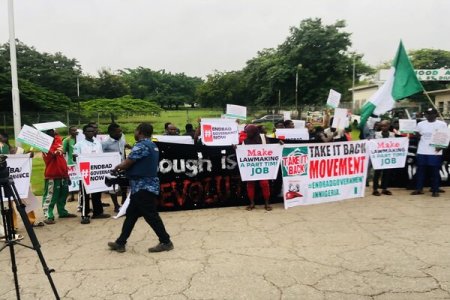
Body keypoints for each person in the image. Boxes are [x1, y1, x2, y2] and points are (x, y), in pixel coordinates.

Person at [108, 123, 173, 253]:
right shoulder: (153, 145)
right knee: (131, 215)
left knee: (151, 215)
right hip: (143, 186)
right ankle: (120, 242)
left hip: (143, 187)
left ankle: (166, 241)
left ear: (140, 132)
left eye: (135, 131)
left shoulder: (141, 145)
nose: (134, 133)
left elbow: (128, 162)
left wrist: (116, 168)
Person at [74, 124, 111, 224]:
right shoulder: (79, 144)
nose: (91, 133)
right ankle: (84, 215)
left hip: (96, 172)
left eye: (92, 131)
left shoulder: (98, 143)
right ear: (84, 133)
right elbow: (75, 158)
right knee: (85, 194)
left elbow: (101, 156)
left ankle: (98, 212)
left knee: (97, 192)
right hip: (85, 172)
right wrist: (78, 157)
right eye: (89, 131)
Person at [42, 129, 77, 224]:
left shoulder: (57, 141)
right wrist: (58, 148)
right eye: (49, 133)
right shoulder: (44, 146)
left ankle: (62, 212)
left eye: (53, 132)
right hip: (52, 174)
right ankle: (48, 215)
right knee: (50, 196)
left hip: (63, 173)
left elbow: (60, 150)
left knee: (63, 194)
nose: (52, 134)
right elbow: (53, 153)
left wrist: (67, 174)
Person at [411, 108, 448, 197]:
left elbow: (445, 136)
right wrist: (416, 135)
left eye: (431, 114)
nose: (429, 116)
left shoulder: (442, 124)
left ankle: (435, 190)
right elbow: (416, 134)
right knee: (420, 171)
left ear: (436, 114)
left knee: (434, 171)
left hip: (435, 151)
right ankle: (419, 189)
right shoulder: (420, 124)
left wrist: (441, 146)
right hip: (422, 151)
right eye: (427, 114)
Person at [241, 124, 272, 211]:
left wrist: (280, 145)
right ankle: (252, 203)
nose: (247, 134)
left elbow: (271, 149)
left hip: (262, 164)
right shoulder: (245, 141)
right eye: (246, 132)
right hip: (251, 166)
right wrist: (236, 148)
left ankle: (267, 203)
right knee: (250, 184)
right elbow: (242, 153)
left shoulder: (263, 138)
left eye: (248, 132)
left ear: (254, 132)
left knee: (264, 184)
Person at [102, 123, 128, 212]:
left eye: (120, 131)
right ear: (111, 133)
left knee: (124, 183)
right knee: (113, 186)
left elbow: (123, 147)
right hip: (112, 167)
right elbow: (100, 154)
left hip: (122, 164)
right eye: (118, 132)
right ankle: (116, 205)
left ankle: (124, 200)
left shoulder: (122, 137)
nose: (120, 133)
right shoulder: (105, 143)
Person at [372, 120, 395, 196]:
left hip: (387, 156)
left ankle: (384, 188)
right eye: (381, 126)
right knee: (377, 173)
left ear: (389, 126)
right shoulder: (376, 134)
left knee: (387, 172)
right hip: (379, 156)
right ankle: (375, 189)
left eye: (385, 126)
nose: (383, 127)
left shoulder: (392, 135)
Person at [63, 126, 78, 202]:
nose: (74, 132)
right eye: (73, 130)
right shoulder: (67, 140)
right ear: (70, 132)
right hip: (71, 163)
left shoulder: (81, 139)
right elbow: (63, 152)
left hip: (81, 162)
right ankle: (71, 195)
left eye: (76, 130)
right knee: (72, 180)